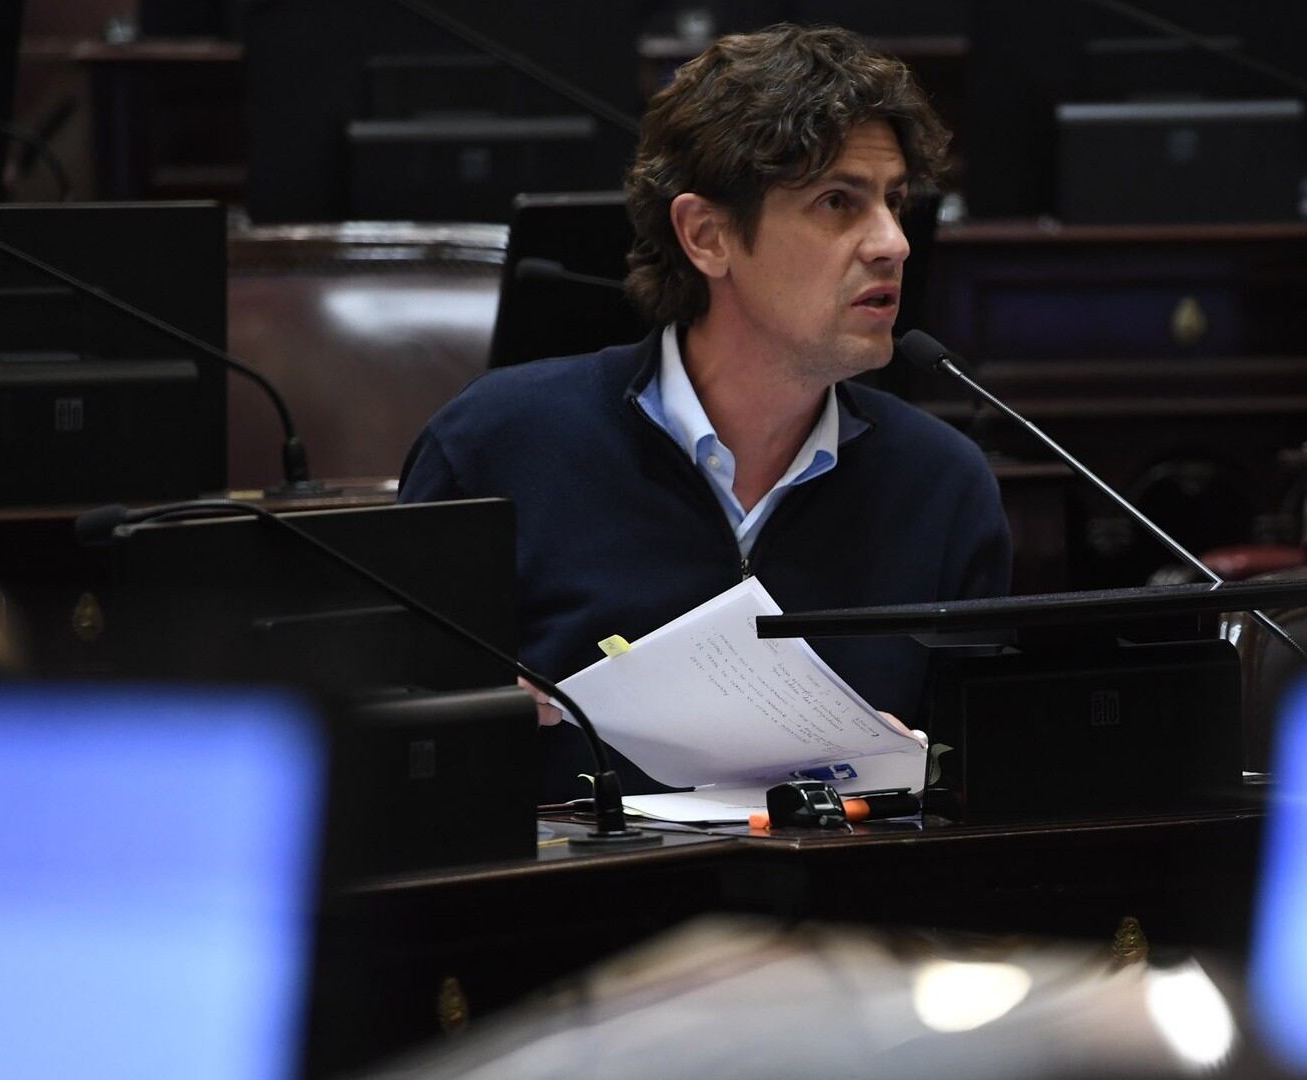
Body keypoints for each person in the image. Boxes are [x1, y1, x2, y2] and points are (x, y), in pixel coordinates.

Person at [399, 25, 1013, 798]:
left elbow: (990, 800)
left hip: (843, 907)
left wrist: (929, 772)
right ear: (706, 235)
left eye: (893, 201)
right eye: (837, 202)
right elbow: (385, 758)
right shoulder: (495, 449)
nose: (892, 242)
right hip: (570, 910)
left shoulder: (943, 486)